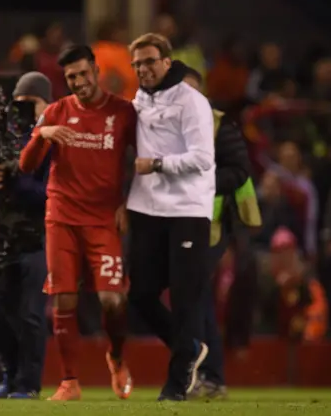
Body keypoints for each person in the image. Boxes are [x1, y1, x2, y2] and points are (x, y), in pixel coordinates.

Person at [20, 45, 136, 401]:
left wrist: (128, 204)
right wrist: (43, 134)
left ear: (96, 71)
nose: (80, 82)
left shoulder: (123, 112)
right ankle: (70, 381)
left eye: (84, 74)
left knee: (113, 301)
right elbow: (26, 165)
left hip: (103, 220)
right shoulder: (57, 111)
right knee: (64, 300)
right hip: (62, 218)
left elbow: (143, 159)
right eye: (72, 77)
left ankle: (116, 357)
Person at [126, 34, 216, 401]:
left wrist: (158, 164)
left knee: (184, 298)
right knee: (142, 296)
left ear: (167, 61)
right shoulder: (138, 102)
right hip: (147, 209)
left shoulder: (192, 101)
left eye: (149, 61)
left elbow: (202, 158)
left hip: (188, 210)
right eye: (137, 64)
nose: (143, 69)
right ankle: (189, 347)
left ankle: (177, 384)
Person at [182, 62, 259, 399]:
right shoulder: (168, 127)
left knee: (196, 299)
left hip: (211, 227)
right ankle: (204, 375)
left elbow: (240, 171)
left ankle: (209, 375)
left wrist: (201, 182)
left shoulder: (218, 126)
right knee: (195, 301)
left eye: (190, 90)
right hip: (177, 224)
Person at [0, 72, 51, 400]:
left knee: (31, 312)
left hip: (38, 234)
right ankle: (11, 367)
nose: (23, 111)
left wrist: (15, 181)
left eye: (30, 104)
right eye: (17, 104)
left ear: (46, 103)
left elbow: (52, 193)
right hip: (1, 232)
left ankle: (28, 383)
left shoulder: (52, 137)